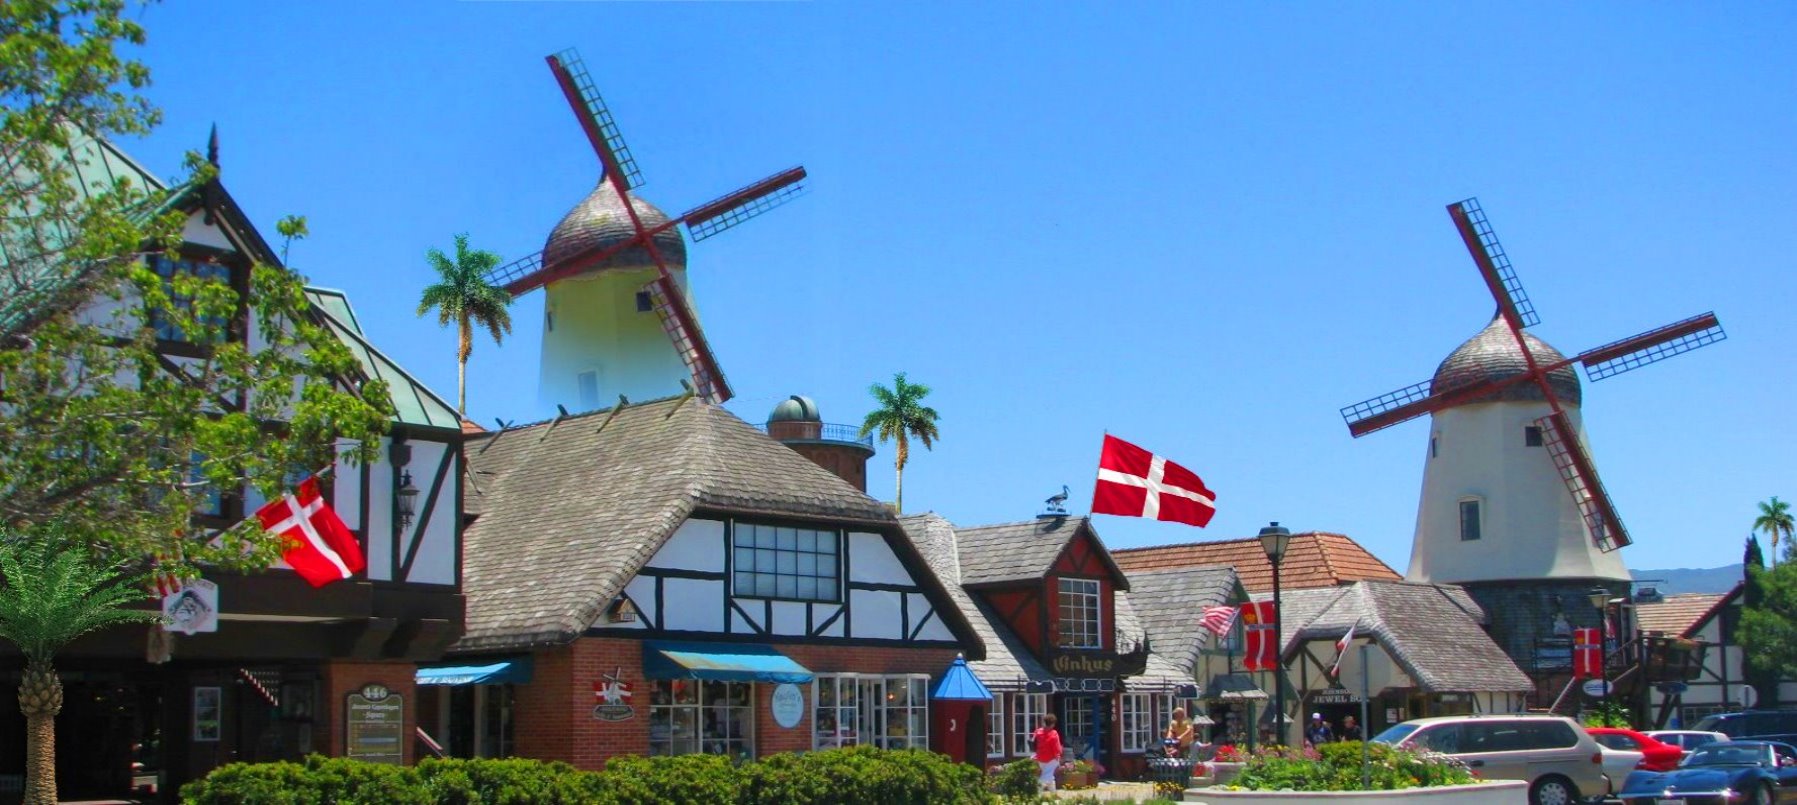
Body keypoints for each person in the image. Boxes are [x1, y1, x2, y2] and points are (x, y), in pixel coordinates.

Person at [1033, 714, 1063, 792]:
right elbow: (1057, 748)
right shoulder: (1054, 734)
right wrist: (1059, 756)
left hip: (1040, 758)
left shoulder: (1037, 732)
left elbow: (1033, 743)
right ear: (1052, 724)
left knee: (1049, 776)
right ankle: (1037, 794)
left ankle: (1054, 794)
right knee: (1046, 776)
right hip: (1051, 758)